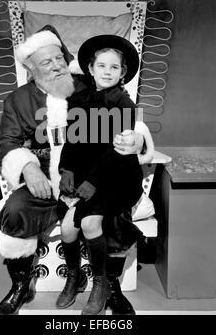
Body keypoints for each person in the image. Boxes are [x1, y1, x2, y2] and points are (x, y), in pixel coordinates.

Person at [0, 25, 149, 315]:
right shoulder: (18, 100)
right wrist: (27, 167)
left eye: (58, 59)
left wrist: (138, 138)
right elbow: (5, 144)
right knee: (15, 210)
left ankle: (109, 285)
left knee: (110, 214)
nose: (54, 66)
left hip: (92, 177)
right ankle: (21, 284)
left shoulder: (88, 86)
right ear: (30, 68)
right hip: (46, 180)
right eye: (45, 62)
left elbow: (127, 120)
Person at [55, 35, 155, 315]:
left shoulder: (124, 104)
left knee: (89, 224)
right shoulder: (79, 98)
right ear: (90, 68)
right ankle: (75, 278)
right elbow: (73, 141)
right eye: (101, 66)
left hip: (117, 177)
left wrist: (91, 182)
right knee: (66, 228)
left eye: (114, 67)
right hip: (88, 175)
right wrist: (67, 170)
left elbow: (115, 153)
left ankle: (101, 284)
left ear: (122, 72)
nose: (107, 72)